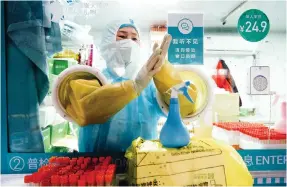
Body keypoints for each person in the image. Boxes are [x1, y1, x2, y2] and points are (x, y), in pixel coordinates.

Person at [55, 19, 198, 152]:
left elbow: (184, 108)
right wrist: (133, 87)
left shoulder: (149, 85)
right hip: (97, 167)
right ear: (107, 42)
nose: (129, 43)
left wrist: (162, 73)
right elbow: (85, 110)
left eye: (134, 38)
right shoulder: (93, 78)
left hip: (142, 164)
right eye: (122, 37)